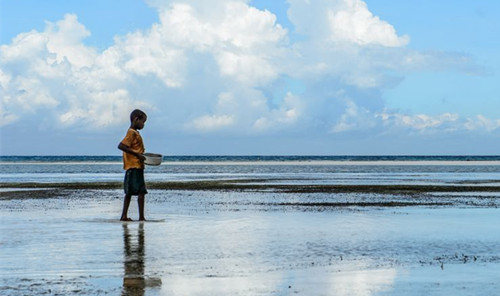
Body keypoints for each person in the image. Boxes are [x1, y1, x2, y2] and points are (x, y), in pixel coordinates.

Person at [118, 109, 148, 221]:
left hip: (136, 166)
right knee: (140, 192)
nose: (143, 125)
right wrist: (137, 154)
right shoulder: (131, 132)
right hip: (134, 166)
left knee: (131, 192)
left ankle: (126, 216)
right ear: (136, 119)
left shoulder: (135, 133)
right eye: (143, 122)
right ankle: (139, 217)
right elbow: (121, 146)